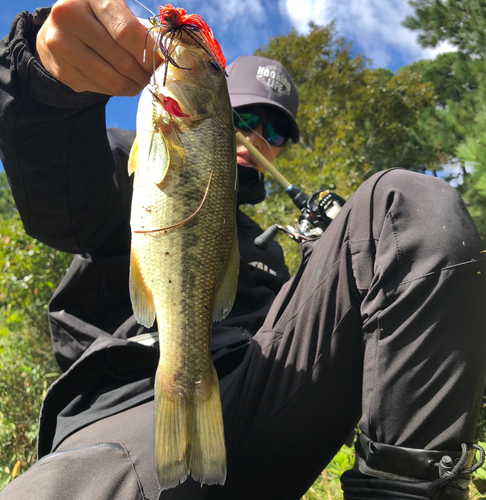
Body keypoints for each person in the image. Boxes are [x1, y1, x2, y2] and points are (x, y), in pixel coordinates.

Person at [0, 2, 485, 499]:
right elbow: (61, 207)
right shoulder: (135, 157)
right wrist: (45, 81)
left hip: (260, 396)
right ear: (222, 108)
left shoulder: (269, 247)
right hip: (125, 406)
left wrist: (351, 257)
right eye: (245, 115)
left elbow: (306, 340)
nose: (256, 135)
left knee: (411, 205)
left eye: (274, 130)